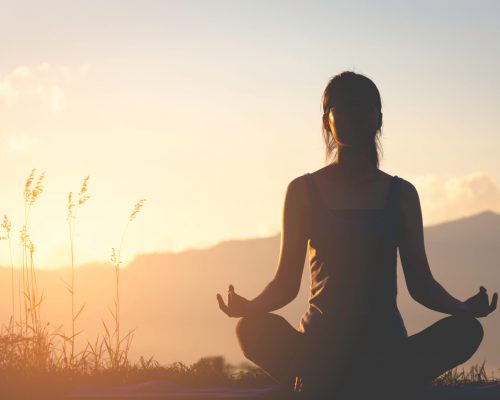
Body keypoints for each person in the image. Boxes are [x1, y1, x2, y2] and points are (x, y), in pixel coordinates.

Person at [216, 71, 497, 398]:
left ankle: (339, 384)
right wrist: (249, 307)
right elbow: (286, 284)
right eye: (344, 108)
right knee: (250, 329)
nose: (354, 115)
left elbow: (421, 285)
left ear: (378, 119)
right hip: (317, 351)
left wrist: (463, 310)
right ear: (327, 121)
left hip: (386, 351)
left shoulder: (401, 194)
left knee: (466, 331)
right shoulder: (303, 191)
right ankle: (341, 381)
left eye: (364, 107)